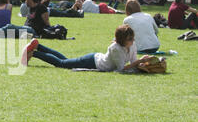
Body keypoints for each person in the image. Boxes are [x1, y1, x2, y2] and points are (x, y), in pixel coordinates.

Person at [22, 25, 156, 73]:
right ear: (122, 40)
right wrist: (138, 63)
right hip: (92, 62)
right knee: (62, 64)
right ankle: (34, 52)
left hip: (94, 59)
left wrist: (142, 62)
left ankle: (38, 45)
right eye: (130, 39)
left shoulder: (131, 46)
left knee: (65, 60)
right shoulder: (116, 49)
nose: (133, 41)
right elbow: (120, 69)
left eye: (132, 38)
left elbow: (132, 61)